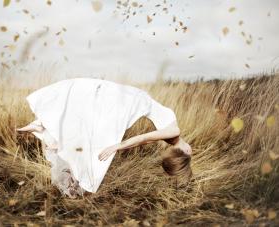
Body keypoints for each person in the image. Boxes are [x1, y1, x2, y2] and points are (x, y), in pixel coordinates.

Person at [17, 77, 192, 198]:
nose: (191, 151)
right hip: (136, 102)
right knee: (98, 127)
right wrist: (116, 146)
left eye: (188, 154)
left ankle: (44, 127)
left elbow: (143, 139)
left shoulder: (173, 133)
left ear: (185, 150)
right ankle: (48, 130)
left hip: (136, 101)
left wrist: (117, 146)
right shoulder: (173, 133)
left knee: (93, 120)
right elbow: (142, 138)